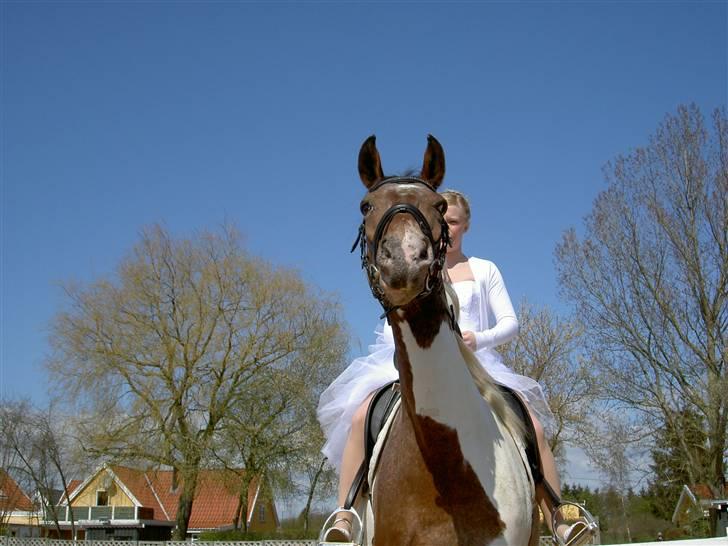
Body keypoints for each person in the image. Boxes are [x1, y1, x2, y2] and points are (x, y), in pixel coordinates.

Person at [317, 190, 577, 543]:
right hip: (417, 361)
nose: (449, 229)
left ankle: (558, 514)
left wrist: (477, 339)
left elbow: (510, 322)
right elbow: (391, 318)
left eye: (454, 222)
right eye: (444, 223)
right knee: (362, 416)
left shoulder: (485, 269)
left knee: (532, 424)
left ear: (466, 225)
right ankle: (346, 514)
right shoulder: (423, 267)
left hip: (479, 364)